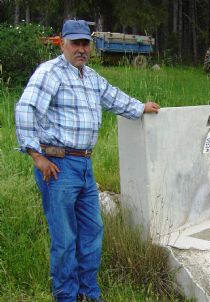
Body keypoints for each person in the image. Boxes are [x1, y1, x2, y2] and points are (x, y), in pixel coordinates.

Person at [14, 20, 160, 302]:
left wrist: (141, 107)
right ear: (62, 43)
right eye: (75, 43)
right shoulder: (50, 73)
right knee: (65, 237)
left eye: (85, 43)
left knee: (93, 231)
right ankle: (66, 295)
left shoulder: (90, 77)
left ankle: (88, 293)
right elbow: (25, 109)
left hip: (84, 166)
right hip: (58, 166)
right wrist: (36, 156)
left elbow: (114, 98)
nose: (81, 49)